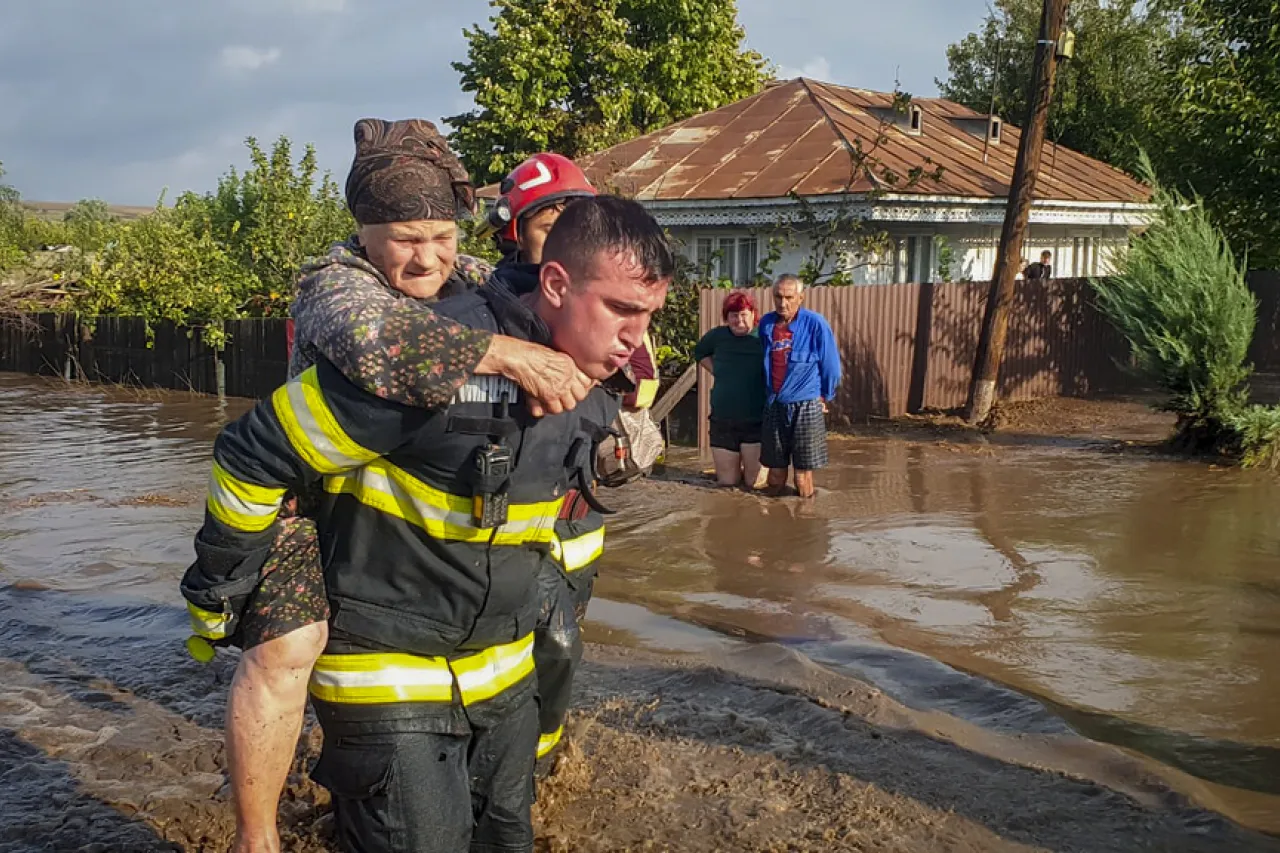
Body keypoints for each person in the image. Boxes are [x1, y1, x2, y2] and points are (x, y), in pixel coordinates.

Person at [182, 195, 675, 853]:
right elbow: (252, 453)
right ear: (557, 284)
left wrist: (614, 456)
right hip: (388, 672)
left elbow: (559, 515)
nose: (636, 339)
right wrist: (223, 587)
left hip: (500, 674)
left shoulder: (597, 371)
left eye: (648, 316)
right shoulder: (430, 361)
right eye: (622, 309)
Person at [759, 274, 841, 499]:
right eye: (778, 296)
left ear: (800, 298)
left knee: (802, 476)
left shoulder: (815, 324)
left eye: (789, 297)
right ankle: (772, 521)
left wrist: (825, 397)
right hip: (775, 404)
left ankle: (805, 524)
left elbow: (832, 367)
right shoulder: (766, 324)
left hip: (806, 405)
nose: (782, 303)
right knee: (775, 473)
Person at [693, 290, 766, 488]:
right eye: (733, 315)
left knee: (755, 484)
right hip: (723, 419)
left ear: (753, 314)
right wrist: (718, 371)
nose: (739, 320)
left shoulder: (764, 336)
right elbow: (699, 353)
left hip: (757, 420)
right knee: (727, 484)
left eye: (744, 314)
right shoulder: (717, 336)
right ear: (727, 317)